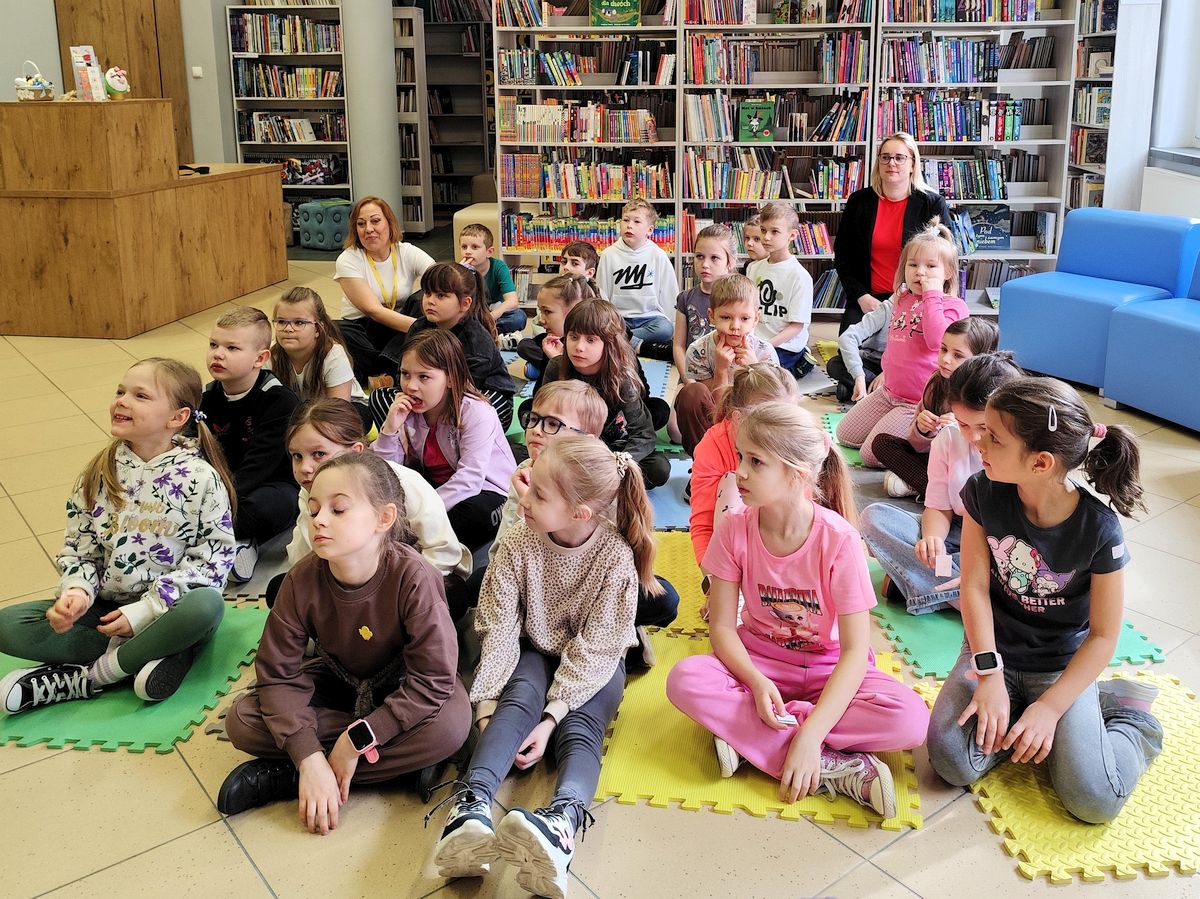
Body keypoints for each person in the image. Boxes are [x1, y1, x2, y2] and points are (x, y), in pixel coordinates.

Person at [666, 402, 929, 818]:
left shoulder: (839, 540)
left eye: (756, 461)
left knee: (911, 720)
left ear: (797, 474)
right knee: (685, 679)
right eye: (740, 456)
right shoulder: (734, 528)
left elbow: (854, 652)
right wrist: (756, 684)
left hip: (829, 669)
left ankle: (758, 738)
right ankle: (834, 767)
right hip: (759, 664)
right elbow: (722, 629)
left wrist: (811, 734)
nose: (739, 472)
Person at [430, 437, 660, 898]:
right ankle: (472, 805)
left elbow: (597, 649)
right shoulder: (518, 542)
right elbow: (498, 627)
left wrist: (552, 719)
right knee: (516, 699)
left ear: (579, 512)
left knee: (581, 728)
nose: (523, 499)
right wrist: (487, 708)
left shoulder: (615, 557)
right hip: (535, 647)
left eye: (538, 494)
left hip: (598, 659)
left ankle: (563, 823)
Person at [927, 377, 1162, 825]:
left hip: (1060, 667)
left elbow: (1104, 635)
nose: (977, 441)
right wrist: (989, 674)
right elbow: (973, 586)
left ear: (1040, 462)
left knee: (1093, 800)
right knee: (951, 762)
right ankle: (1024, 713)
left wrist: (1052, 707)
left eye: (993, 437)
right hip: (992, 653)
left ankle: (1130, 718)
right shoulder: (982, 491)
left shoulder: (1099, 529)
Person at [217, 453, 471, 828]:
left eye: (338, 510)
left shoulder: (415, 577)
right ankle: (352, 769)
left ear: (383, 518)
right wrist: (308, 756)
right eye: (314, 509)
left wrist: (355, 741)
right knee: (241, 720)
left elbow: (432, 681)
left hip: (403, 685)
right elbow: (277, 674)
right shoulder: (301, 579)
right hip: (343, 681)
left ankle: (288, 777)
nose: (319, 520)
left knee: (449, 727)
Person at [0, 359, 235, 713]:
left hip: (169, 610)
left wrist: (142, 613)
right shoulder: (98, 472)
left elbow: (212, 562)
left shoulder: (201, 478)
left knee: (206, 606)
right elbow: (81, 551)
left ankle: (93, 677)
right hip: (106, 614)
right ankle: (149, 656)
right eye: (120, 391)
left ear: (177, 417)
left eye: (140, 395)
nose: (122, 400)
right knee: (7, 625)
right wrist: (77, 593)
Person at [485, 381, 679, 663]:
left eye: (553, 424)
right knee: (482, 582)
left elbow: (624, 565)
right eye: (533, 419)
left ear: (587, 439)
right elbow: (501, 554)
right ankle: (543, 638)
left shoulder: (601, 484)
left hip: (594, 589)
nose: (536, 430)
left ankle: (616, 634)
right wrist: (528, 502)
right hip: (540, 585)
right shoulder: (524, 472)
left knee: (664, 599)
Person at [268, 398, 471, 614]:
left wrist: (395, 593)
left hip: (405, 585)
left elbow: (441, 551)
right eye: (297, 456)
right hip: (346, 585)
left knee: (453, 595)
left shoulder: (402, 481)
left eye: (319, 454)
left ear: (355, 452)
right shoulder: (309, 492)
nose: (305, 468)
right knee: (279, 589)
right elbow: (304, 559)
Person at [859, 353, 1023, 615]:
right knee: (874, 518)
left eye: (983, 427)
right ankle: (969, 597)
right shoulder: (948, 439)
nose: (974, 437)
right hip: (958, 533)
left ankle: (929, 586)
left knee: (1023, 567)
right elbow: (938, 505)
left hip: (1006, 543)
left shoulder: (1019, 449)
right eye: (963, 424)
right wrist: (933, 539)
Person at [834, 222, 969, 468]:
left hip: (916, 402)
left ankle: (930, 441)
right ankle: (896, 428)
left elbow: (936, 340)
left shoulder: (954, 306)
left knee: (870, 456)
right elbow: (897, 346)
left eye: (931, 266)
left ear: (948, 272)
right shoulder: (901, 298)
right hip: (889, 392)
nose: (920, 273)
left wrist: (931, 296)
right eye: (913, 265)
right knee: (845, 435)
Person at [373, 329, 517, 553]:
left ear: (451, 378)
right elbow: (387, 472)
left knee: (468, 517)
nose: (411, 386)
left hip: (487, 492)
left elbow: (470, 479)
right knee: (381, 502)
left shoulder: (476, 411)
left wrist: (424, 510)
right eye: (405, 374)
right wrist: (390, 429)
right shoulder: (408, 409)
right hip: (438, 487)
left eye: (424, 377)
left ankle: (416, 553)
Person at [201, 307, 300, 583]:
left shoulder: (278, 400)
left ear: (260, 358)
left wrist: (211, 503)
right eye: (213, 345)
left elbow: (259, 467)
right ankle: (227, 539)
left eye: (232, 348)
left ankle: (240, 540)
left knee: (265, 508)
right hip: (222, 486)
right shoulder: (206, 397)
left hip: (269, 485)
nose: (218, 354)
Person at [535, 299, 670, 489]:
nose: (579, 347)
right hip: (570, 448)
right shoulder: (556, 367)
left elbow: (644, 435)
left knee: (658, 468)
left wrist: (616, 464)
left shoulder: (621, 380)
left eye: (590, 340)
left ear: (609, 344)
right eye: (573, 337)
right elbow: (543, 420)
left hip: (613, 450)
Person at [370, 263, 517, 431]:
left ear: (465, 303)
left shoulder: (476, 339)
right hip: (427, 393)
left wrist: (430, 401)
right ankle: (408, 439)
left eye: (440, 296)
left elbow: (467, 387)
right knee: (380, 398)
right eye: (427, 293)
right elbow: (404, 369)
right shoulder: (418, 327)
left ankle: (434, 437)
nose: (430, 301)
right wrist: (409, 394)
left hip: (473, 394)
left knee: (473, 410)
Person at [833, 132, 952, 333]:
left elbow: (945, 258)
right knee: (846, 350)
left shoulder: (932, 204)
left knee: (914, 348)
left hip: (917, 297)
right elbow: (843, 256)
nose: (891, 163)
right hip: (869, 298)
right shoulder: (859, 202)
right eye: (885, 157)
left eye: (899, 158)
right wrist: (861, 296)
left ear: (913, 164)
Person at [873, 317, 998, 498]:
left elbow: (988, 452)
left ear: (980, 360)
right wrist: (922, 430)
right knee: (882, 443)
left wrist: (961, 427)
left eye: (958, 355)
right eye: (943, 349)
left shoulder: (988, 394)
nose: (945, 359)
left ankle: (936, 490)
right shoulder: (936, 383)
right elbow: (917, 446)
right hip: (938, 460)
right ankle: (937, 489)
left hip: (973, 466)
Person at [674, 273, 780, 457]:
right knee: (691, 393)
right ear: (711, 316)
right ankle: (704, 460)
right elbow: (717, 408)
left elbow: (773, 404)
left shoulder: (764, 351)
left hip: (753, 424)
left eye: (744, 319)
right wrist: (721, 370)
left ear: (756, 318)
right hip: (714, 424)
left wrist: (754, 369)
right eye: (726, 317)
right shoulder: (699, 350)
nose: (735, 326)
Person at [334, 196, 436, 384]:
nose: (368, 229)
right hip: (364, 328)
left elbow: (439, 278)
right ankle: (395, 368)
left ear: (389, 223)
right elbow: (374, 311)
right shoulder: (348, 259)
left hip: (399, 326)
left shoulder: (406, 251)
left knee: (423, 298)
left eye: (375, 221)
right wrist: (424, 328)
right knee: (331, 329)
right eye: (361, 224)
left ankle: (386, 371)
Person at [266, 286, 371, 430]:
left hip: (341, 409)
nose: (288, 329)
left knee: (349, 421)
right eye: (281, 321)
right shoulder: (270, 354)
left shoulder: (333, 355)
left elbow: (337, 412)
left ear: (318, 329)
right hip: (299, 412)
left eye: (299, 323)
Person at [640, 222, 739, 366]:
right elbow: (678, 346)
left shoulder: (739, 299)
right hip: (692, 372)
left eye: (714, 258)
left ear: (730, 262)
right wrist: (687, 377)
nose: (705, 264)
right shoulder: (685, 298)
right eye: (700, 256)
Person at [596, 199, 679, 352]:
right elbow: (602, 293)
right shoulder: (609, 254)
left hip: (650, 318)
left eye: (637, 221)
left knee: (666, 329)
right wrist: (607, 320)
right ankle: (637, 344)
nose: (629, 225)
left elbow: (669, 292)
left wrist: (673, 323)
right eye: (625, 220)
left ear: (650, 230)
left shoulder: (658, 255)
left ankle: (622, 340)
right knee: (601, 327)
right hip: (619, 318)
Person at [746, 201, 814, 377]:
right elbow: (748, 309)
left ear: (792, 235)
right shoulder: (753, 268)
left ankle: (800, 362)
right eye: (763, 230)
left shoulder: (800, 276)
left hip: (784, 346)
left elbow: (796, 326)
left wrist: (766, 346)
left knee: (759, 375)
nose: (766, 237)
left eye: (774, 232)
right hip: (756, 340)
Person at [516, 273, 600, 382]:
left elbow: (577, 388)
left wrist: (557, 361)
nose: (541, 320)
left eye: (547, 312)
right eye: (541, 311)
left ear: (573, 312)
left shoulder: (586, 349)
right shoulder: (552, 339)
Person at [459, 222, 527, 338]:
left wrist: (491, 317)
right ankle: (485, 332)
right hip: (472, 312)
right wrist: (459, 274)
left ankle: (480, 332)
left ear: (489, 252)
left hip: (494, 313)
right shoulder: (460, 270)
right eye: (464, 247)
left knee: (519, 317)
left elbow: (512, 301)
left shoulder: (498, 267)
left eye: (474, 247)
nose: (468, 251)